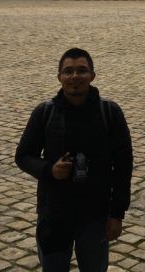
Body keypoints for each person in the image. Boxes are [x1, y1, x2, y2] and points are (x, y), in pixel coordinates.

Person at [16, 48, 133, 272]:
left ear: (92, 76)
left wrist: (117, 214)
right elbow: (23, 156)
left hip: (95, 215)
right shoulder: (44, 113)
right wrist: (50, 170)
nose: (75, 77)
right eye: (68, 71)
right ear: (59, 77)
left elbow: (123, 167)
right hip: (54, 214)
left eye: (82, 70)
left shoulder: (110, 113)